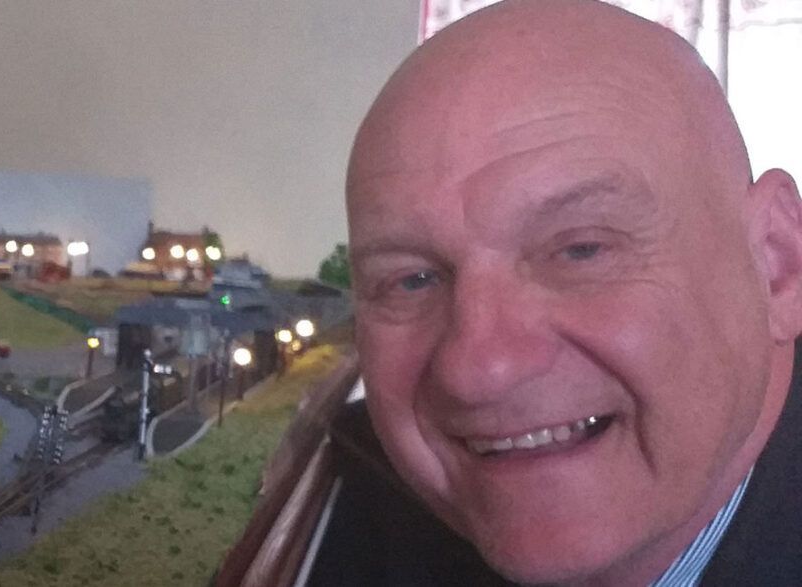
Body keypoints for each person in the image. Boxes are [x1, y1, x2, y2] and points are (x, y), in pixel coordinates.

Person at [308, 0, 802, 584]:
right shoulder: (355, 500)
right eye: (412, 280)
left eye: (581, 250)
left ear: (776, 266)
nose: (480, 368)